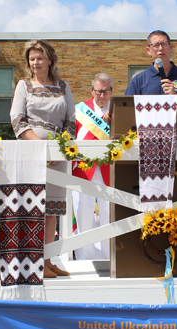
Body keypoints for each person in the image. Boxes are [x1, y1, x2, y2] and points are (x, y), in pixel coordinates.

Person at [10, 39, 76, 278]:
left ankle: (47, 260)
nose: (35, 62)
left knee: (51, 210)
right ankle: (33, 260)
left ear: (50, 60)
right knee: (32, 207)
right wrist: (40, 149)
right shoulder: (24, 86)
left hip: (57, 156)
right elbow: (17, 120)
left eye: (39, 58)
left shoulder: (63, 86)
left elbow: (71, 121)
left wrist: (58, 148)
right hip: (30, 153)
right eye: (31, 59)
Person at [72, 73, 113, 260]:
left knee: (109, 213)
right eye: (98, 91)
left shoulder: (118, 110)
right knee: (83, 212)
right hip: (83, 168)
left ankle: (109, 257)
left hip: (109, 168)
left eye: (106, 92)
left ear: (111, 92)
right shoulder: (80, 110)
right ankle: (84, 258)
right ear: (92, 91)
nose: (102, 96)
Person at [125, 30, 177, 96]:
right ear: (148, 50)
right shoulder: (139, 80)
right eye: (156, 45)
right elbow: (126, 108)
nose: (161, 48)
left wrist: (175, 97)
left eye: (164, 44)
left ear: (170, 48)